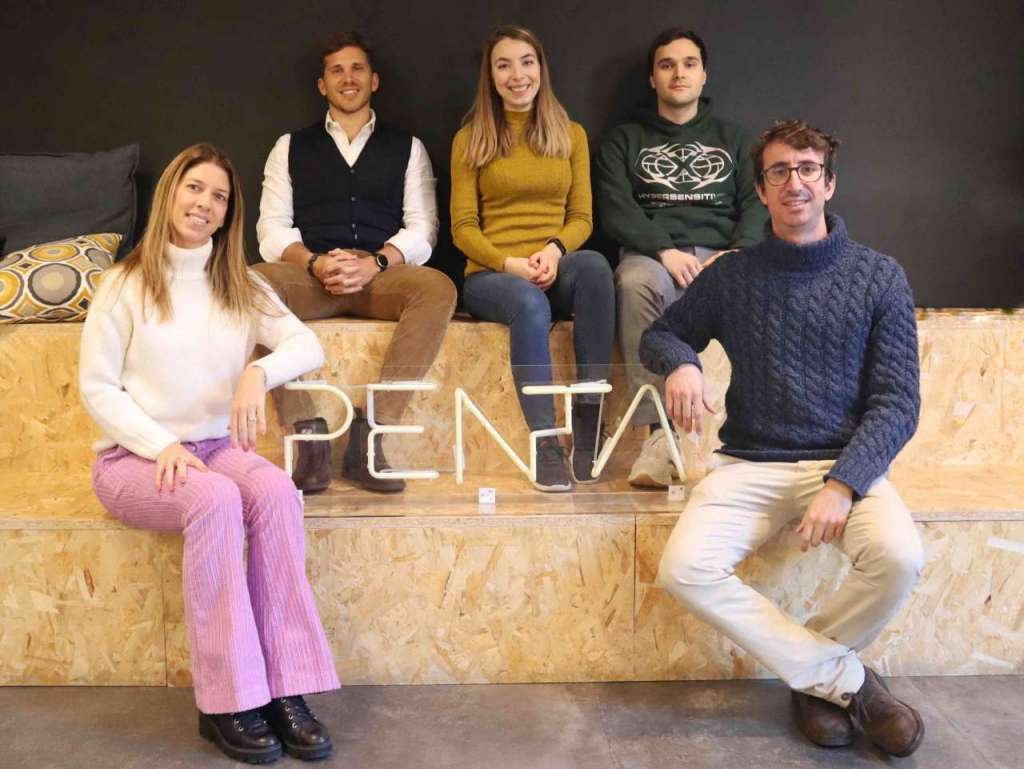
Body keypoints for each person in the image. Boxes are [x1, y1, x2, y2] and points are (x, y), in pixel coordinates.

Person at [640, 120, 926, 756]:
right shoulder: (732, 275)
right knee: (684, 569)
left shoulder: (879, 277)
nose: (794, 182)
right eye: (778, 171)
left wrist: (844, 483)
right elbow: (661, 334)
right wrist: (681, 363)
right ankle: (844, 681)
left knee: (900, 556)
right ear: (761, 190)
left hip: (845, 463)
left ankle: (814, 678)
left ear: (829, 183)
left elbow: (898, 404)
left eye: (807, 169)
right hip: (750, 464)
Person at [80, 144, 338, 764]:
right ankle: (225, 700)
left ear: (228, 214)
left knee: (276, 490)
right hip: (133, 460)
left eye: (219, 196)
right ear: (170, 192)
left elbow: (305, 344)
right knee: (217, 501)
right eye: (194, 188)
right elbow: (97, 388)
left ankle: (284, 688)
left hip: (214, 448)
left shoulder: (239, 284)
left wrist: (259, 373)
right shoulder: (124, 284)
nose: (204, 203)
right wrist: (160, 444)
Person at [256, 31, 457, 494]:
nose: (348, 78)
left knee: (438, 288)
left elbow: (423, 228)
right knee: (247, 285)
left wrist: (376, 263)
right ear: (322, 85)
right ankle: (308, 436)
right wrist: (314, 263)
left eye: (357, 69)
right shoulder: (290, 146)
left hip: (379, 277)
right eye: (337, 70)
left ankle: (372, 436)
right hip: (311, 275)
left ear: (374, 80)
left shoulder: (408, 146)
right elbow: (271, 228)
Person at [596, 27, 767, 488]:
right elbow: (616, 207)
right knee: (634, 281)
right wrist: (663, 249)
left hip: (722, 254)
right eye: (667, 65)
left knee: (765, 291)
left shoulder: (735, 140)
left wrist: (735, 254)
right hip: (652, 256)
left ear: (704, 74)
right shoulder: (624, 140)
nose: (679, 73)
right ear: (652, 78)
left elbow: (756, 204)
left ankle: (751, 444)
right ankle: (660, 438)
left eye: (689, 64)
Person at [450, 25, 615, 492]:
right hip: (492, 277)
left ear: (541, 68)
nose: (517, 75)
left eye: (526, 62)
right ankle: (546, 443)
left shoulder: (571, 135)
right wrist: (510, 264)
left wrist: (553, 251)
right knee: (528, 303)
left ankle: (589, 421)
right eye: (503, 65)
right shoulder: (471, 139)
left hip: (551, 263)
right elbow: (463, 229)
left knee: (596, 267)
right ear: (490, 76)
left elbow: (582, 217)